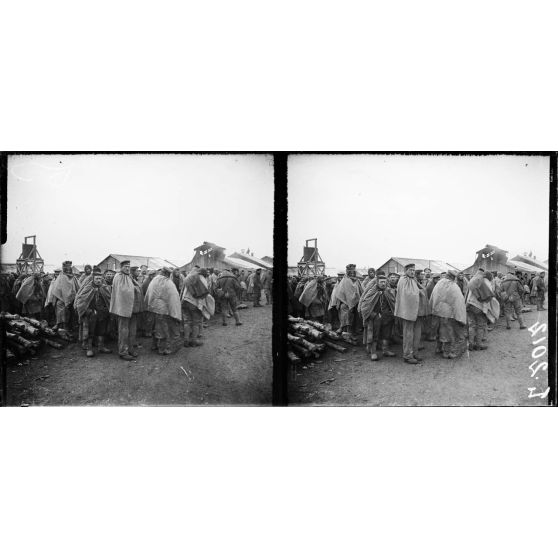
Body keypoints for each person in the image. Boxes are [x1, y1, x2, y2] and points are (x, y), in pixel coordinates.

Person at [394, 263, 428, 364]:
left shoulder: (413, 279)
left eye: (413, 270)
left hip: (417, 311)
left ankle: (415, 353)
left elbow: (422, 289)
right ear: (406, 271)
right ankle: (407, 355)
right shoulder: (403, 280)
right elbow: (408, 294)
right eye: (410, 270)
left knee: (417, 333)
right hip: (408, 312)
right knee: (408, 334)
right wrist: (420, 292)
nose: (412, 272)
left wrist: (421, 291)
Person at [358, 273, 396, 361]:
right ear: (377, 283)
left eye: (384, 282)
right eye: (381, 282)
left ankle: (385, 350)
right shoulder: (372, 291)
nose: (383, 284)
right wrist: (373, 314)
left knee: (386, 334)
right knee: (374, 335)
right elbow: (365, 305)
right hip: (375, 317)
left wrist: (391, 313)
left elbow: (393, 302)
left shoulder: (388, 291)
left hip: (387, 317)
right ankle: (373, 352)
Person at [144, 267, 182, 355]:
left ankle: (155, 345)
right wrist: (176, 312)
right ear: (168, 274)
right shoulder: (167, 282)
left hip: (153, 308)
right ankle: (162, 349)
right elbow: (173, 298)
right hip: (164, 310)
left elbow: (148, 294)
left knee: (155, 328)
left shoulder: (154, 280)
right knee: (164, 330)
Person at [74, 270, 112, 357]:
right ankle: (89, 348)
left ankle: (101, 346)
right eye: (97, 278)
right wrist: (88, 311)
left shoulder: (104, 287)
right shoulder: (88, 288)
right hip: (91, 314)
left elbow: (109, 299)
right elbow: (81, 301)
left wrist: (107, 309)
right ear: (93, 279)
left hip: (102, 313)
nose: (98, 280)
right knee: (90, 331)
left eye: (100, 278)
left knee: (102, 330)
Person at [430, 270, 467, 359]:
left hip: (438, 312)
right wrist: (460, 316)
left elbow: (433, 297)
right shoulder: (453, 286)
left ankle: (439, 348)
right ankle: (447, 352)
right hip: (449, 314)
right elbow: (458, 302)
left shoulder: (439, 283)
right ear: (453, 277)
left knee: (440, 331)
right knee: (448, 333)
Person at [109, 260, 141, 361]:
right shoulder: (118, 277)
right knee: (123, 331)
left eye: (129, 266)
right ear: (121, 267)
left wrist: (136, 288)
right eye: (126, 266)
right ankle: (123, 351)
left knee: (132, 331)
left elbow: (136, 286)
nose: (127, 268)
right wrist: (134, 288)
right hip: (123, 309)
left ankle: (130, 348)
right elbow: (123, 291)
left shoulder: (129, 276)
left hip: (132, 308)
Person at [329, 264, 363, 338]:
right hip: (345, 302)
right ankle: (345, 330)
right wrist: (345, 301)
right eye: (350, 272)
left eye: (353, 272)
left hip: (356, 302)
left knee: (357, 315)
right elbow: (340, 292)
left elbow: (361, 291)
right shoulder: (344, 280)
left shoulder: (357, 281)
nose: (352, 273)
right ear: (347, 272)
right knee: (346, 314)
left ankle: (355, 329)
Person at [466, 268, 496, 348]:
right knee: (481, 325)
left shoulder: (472, 281)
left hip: (469, 305)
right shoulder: (485, 283)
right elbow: (487, 299)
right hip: (479, 307)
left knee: (472, 325)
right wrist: (486, 310)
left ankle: (471, 344)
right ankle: (479, 345)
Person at [181, 266, 211, 347]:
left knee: (187, 321)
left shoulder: (188, 278)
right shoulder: (202, 280)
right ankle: (194, 341)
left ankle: (186, 340)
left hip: (184, 302)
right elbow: (203, 295)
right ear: (204, 274)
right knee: (196, 322)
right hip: (194, 304)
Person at [50, 261, 79, 331]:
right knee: (60, 307)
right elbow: (57, 288)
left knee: (72, 312)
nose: (68, 268)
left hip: (72, 298)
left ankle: (71, 326)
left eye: (69, 267)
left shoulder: (73, 277)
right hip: (61, 298)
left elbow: (77, 286)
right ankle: (59, 324)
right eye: (66, 267)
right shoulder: (61, 276)